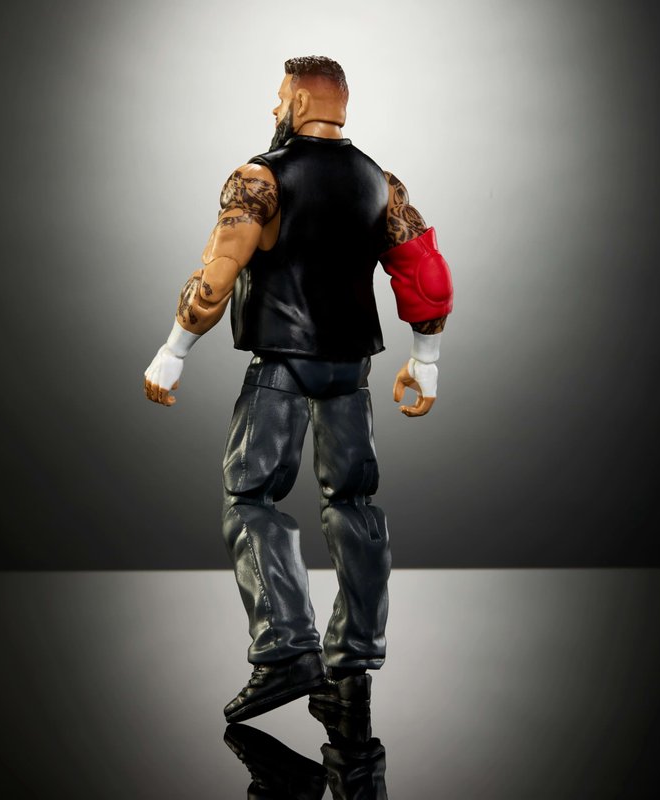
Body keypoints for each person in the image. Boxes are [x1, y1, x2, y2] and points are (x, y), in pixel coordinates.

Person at [144, 56, 453, 723]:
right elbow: (424, 273)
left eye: (280, 96)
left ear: (301, 102)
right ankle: (352, 670)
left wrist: (173, 351)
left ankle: (286, 650)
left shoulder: (260, 178)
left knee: (251, 497)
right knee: (355, 506)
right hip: (351, 370)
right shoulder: (380, 182)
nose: (273, 106)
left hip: (283, 366)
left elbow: (216, 278)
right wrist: (425, 360)